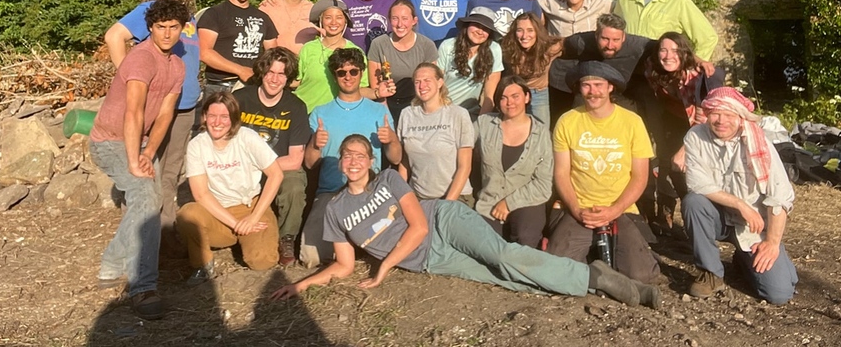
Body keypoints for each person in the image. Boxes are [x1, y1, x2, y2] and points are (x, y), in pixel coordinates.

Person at [271, 134, 661, 309]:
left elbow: (419, 227)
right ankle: (593, 282)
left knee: (505, 256)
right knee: (505, 279)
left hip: (442, 220)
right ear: (340, 163)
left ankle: (605, 280)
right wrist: (303, 285)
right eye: (347, 156)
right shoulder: (337, 210)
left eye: (360, 154)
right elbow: (342, 263)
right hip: (430, 260)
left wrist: (384, 266)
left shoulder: (389, 179)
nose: (353, 161)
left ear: (369, 162)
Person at [89, 0, 188, 321]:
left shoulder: (177, 65)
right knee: (145, 196)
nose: (167, 34)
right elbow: (133, 112)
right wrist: (134, 160)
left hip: (140, 141)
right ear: (150, 28)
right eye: (161, 27)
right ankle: (143, 287)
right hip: (110, 141)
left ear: (181, 29)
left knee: (152, 199)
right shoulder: (141, 59)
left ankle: (112, 263)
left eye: (174, 27)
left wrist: (147, 152)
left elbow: (164, 114)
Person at [103, 0, 201, 252]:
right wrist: (129, 78)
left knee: (170, 174)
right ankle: (137, 241)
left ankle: (166, 238)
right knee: (146, 173)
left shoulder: (188, 18)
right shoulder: (148, 12)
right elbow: (113, 36)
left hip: (184, 106)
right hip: (155, 108)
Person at [683, 87, 797, 304]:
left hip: (754, 226)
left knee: (779, 294)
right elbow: (697, 184)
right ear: (707, 114)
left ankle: (746, 260)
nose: (720, 120)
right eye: (715, 113)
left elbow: (780, 197)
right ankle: (711, 274)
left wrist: (772, 243)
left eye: (729, 114)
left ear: (740, 117)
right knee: (694, 202)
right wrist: (739, 204)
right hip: (720, 218)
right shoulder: (695, 136)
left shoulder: (759, 142)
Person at [547, 62, 659, 284]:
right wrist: (577, 210)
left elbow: (640, 176)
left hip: (621, 208)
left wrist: (614, 210)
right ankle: (595, 259)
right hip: (580, 207)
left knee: (642, 276)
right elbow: (561, 173)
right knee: (557, 271)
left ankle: (621, 258)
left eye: (598, 85)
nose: (592, 91)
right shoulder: (567, 121)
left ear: (610, 88)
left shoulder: (632, 122)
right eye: (586, 85)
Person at [298, 49, 401, 267]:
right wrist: (316, 144)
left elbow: (396, 157)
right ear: (334, 76)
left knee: (389, 247)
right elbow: (308, 163)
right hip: (331, 194)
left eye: (353, 71)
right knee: (310, 258)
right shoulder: (320, 112)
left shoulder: (377, 111)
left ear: (361, 73)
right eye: (341, 72)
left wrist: (391, 140)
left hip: (370, 195)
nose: (348, 76)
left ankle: (352, 244)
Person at [176, 92, 284, 285]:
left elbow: (276, 174)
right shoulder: (197, 145)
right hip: (219, 211)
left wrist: (253, 217)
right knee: (187, 214)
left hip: (251, 206)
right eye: (212, 116)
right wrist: (235, 224)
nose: (217, 122)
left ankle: (251, 239)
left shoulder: (247, 137)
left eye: (224, 117)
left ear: (233, 118)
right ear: (204, 117)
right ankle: (203, 263)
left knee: (261, 262)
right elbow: (201, 194)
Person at [233, 48, 310, 265]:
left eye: (281, 74)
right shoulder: (240, 99)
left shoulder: (296, 106)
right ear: (262, 73)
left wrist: (260, 167)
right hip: (241, 164)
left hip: (280, 165)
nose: (275, 79)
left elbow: (295, 159)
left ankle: (287, 238)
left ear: (288, 78)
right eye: (270, 73)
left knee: (294, 185)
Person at [645, 32, 725, 236]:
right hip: (672, 120)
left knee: (686, 170)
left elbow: (702, 119)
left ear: (684, 53)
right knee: (665, 166)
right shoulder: (652, 67)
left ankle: (703, 223)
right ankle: (666, 219)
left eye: (675, 51)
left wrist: (683, 150)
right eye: (663, 50)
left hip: (699, 128)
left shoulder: (698, 78)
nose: (668, 55)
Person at [475, 75, 554, 248]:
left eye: (515, 96)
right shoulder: (484, 124)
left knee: (524, 239)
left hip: (527, 202)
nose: (509, 102)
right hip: (489, 203)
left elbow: (543, 184)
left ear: (527, 97)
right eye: (503, 98)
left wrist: (508, 203)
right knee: (486, 247)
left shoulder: (542, 134)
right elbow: (459, 148)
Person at [295, 0, 393, 112]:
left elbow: (359, 90)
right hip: (306, 112)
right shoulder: (308, 48)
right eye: (328, 17)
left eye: (339, 17)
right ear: (321, 21)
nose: (333, 22)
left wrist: (377, 93)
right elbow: (297, 81)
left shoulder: (355, 52)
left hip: (337, 116)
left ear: (345, 21)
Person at [397, 63, 474, 203]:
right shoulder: (407, 114)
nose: (422, 86)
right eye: (417, 82)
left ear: (440, 82)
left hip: (455, 197)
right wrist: (401, 197)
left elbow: (465, 166)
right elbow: (404, 162)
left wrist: (447, 204)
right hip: (418, 197)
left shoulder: (458, 114)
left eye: (427, 80)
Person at [198, 0, 278, 93]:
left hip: (252, 87)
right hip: (220, 87)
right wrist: (240, 70)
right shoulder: (214, 14)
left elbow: (273, 54)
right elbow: (204, 53)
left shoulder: (263, 18)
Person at [366, 0, 438, 122]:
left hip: (418, 104)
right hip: (388, 104)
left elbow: (432, 84)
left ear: (414, 21)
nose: (400, 24)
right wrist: (386, 116)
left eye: (405, 19)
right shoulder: (378, 44)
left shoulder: (427, 45)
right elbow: (376, 86)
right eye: (395, 18)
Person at [437, 7, 503, 117]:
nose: (480, 31)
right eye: (476, 25)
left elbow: (489, 94)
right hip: (442, 109)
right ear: (466, 26)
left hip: (471, 113)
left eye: (485, 28)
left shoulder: (494, 49)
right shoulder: (447, 46)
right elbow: (436, 84)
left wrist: (481, 123)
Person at [501, 12, 562, 125]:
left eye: (530, 30)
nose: (524, 36)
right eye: (520, 30)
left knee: (541, 129)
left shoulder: (549, 48)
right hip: (515, 93)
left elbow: (575, 41)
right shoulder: (507, 48)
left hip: (539, 93)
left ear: (537, 32)